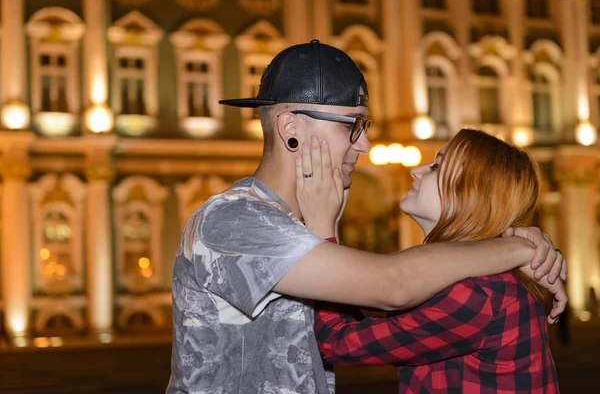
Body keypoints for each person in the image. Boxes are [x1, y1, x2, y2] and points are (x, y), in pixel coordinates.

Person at [166, 40, 566, 394]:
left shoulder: (291, 226)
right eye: (353, 126)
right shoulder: (236, 222)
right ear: (291, 129)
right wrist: (516, 245)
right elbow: (392, 286)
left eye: (366, 125)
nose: (366, 144)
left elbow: (366, 325)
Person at [301, 129, 560, 393]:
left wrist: (320, 227)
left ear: (471, 195)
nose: (416, 170)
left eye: (437, 166)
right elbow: (374, 325)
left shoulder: (476, 293)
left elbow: (335, 343)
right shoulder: (475, 283)